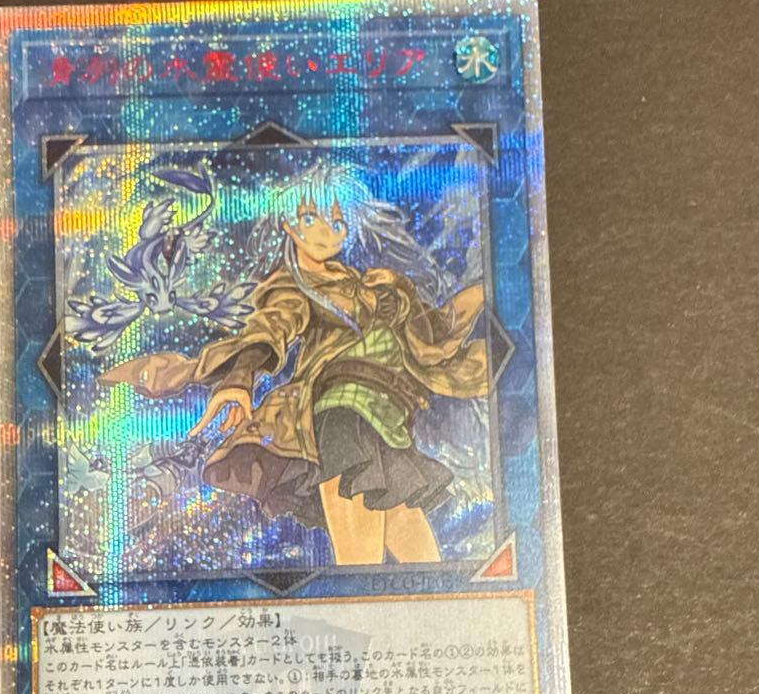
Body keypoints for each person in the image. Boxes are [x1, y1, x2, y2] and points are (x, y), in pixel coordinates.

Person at [99, 164, 488, 565]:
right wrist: (240, 377)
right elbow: (271, 327)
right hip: (343, 414)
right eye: (310, 217)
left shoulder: (374, 285)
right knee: (361, 562)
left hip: (387, 420)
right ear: (288, 223)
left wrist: (487, 289)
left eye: (338, 222)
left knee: (415, 543)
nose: (326, 232)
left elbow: (436, 331)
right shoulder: (295, 285)